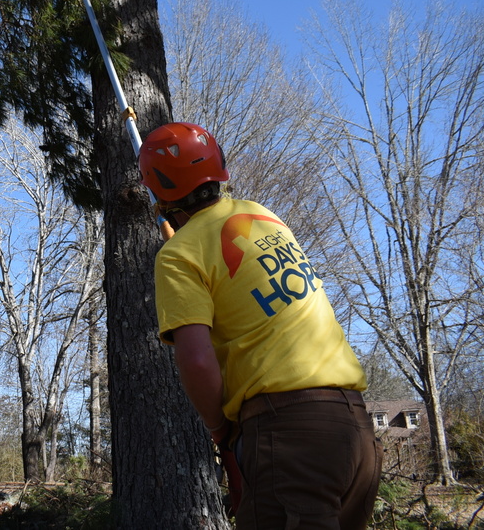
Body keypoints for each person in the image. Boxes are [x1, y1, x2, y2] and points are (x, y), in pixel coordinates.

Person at [138, 122, 382, 530]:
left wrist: (219, 429)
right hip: (354, 429)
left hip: (291, 440)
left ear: (158, 190)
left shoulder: (179, 254)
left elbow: (197, 360)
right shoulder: (264, 216)